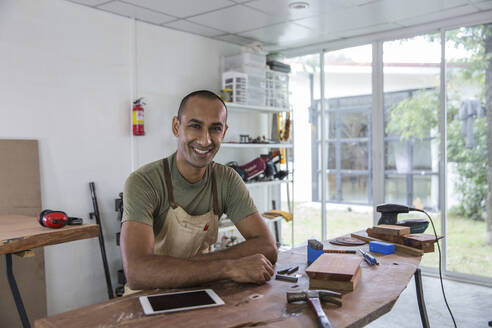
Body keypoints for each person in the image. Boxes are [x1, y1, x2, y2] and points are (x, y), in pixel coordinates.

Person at [120, 90, 277, 293]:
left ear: (224, 132)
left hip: (200, 289)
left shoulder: (227, 180)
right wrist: (227, 267)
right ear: (177, 127)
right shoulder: (144, 182)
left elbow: (267, 247)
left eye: (215, 129)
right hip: (148, 296)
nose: (205, 140)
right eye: (195, 126)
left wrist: (198, 265)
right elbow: (137, 273)